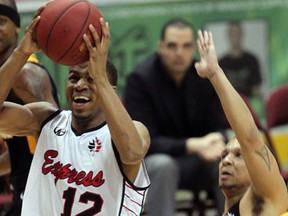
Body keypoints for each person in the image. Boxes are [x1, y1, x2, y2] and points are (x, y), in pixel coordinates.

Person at [0, 11, 150, 215]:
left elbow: (132, 153)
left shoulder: (135, 131)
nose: (79, 85)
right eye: (73, 77)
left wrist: (101, 77)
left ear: (109, 89)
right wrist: (21, 53)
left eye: (90, 79)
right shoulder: (46, 120)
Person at [124, 18, 229, 215]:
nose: (179, 53)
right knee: (164, 165)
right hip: (156, 163)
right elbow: (145, 143)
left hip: (199, 161)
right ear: (160, 47)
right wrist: (192, 145)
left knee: (227, 160)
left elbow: (218, 126)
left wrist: (218, 140)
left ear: (194, 49)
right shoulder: (140, 80)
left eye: (186, 46)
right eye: (172, 46)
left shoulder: (204, 76)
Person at [195, 30, 288, 215]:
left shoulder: (263, 201)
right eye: (223, 156)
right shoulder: (232, 208)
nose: (226, 161)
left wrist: (214, 73)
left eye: (238, 155)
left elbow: (250, 138)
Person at [0, 1, 60, 215]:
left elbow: (59, 137)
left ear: (17, 27)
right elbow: (21, 154)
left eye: (1, 21)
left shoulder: (25, 74)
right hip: (24, 186)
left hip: (44, 189)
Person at [219, 21, 263, 98]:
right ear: (228, 36)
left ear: (241, 35)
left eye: (237, 34)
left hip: (248, 104)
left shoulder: (252, 60)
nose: (235, 37)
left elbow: (256, 88)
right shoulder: (221, 63)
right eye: (232, 34)